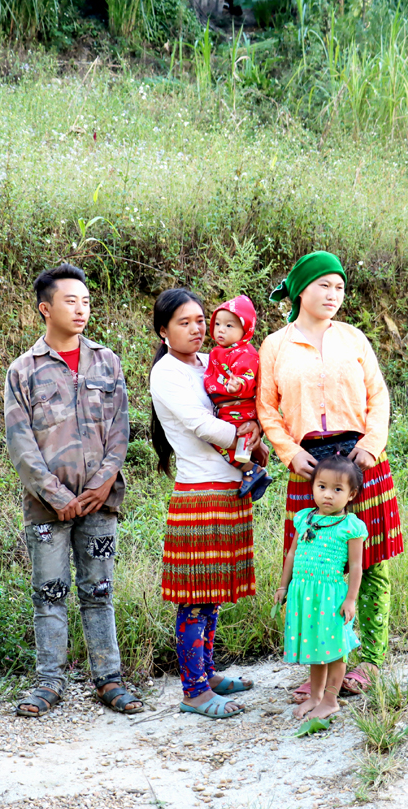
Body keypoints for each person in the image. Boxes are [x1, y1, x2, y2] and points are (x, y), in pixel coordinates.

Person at [258, 251, 403, 702]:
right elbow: (266, 409)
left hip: (362, 461)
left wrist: (371, 447)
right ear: (302, 289)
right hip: (309, 465)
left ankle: (371, 662)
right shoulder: (276, 345)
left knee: (370, 562)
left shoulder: (354, 339)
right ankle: (323, 666)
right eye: (324, 285)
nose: (333, 295)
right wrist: (289, 453)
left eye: (339, 287)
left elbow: (379, 398)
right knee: (314, 567)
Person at [5, 264, 143, 717]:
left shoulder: (107, 362)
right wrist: (56, 495)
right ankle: (49, 682)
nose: (81, 309)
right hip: (47, 508)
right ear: (46, 308)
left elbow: (120, 427)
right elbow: (20, 441)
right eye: (70, 301)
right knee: (49, 591)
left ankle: (109, 679)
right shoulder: (23, 371)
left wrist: (103, 482)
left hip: (102, 502)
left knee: (99, 589)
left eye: (85, 301)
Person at [148, 288, 261, 719]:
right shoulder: (167, 373)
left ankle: (207, 671)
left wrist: (252, 430)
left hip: (228, 486)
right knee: (195, 596)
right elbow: (199, 424)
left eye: (200, 320)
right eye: (184, 322)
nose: (197, 329)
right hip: (200, 493)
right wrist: (246, 437)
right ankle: (193, 690)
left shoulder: (208, 362)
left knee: (211, 594)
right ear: (164, 330)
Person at [274, 455, 367, 721]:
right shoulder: (304, 518)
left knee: (335, 651)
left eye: (338, 489)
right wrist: (284, 585)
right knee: (316, 648)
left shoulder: (351, 527)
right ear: (313, 487)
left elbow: (357, 567)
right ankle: (315, 696)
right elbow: (291, 554)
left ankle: (330, 699)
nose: (328, 495)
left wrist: (351, 599)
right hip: (304, 595)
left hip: (331, 598)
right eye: (322, 487)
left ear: (351, 495)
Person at [203, 294, 271, 500]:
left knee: (221, 440)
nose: (221, 329)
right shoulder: (216, 352)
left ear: (245, 330)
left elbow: (248, 375)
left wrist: (238, 384)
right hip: (225, 407)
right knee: (227, 441)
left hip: (238, 406)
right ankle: (252, 470)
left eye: (229, 326)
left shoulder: (246, 353)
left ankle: (252, 470)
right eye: (218, 324)